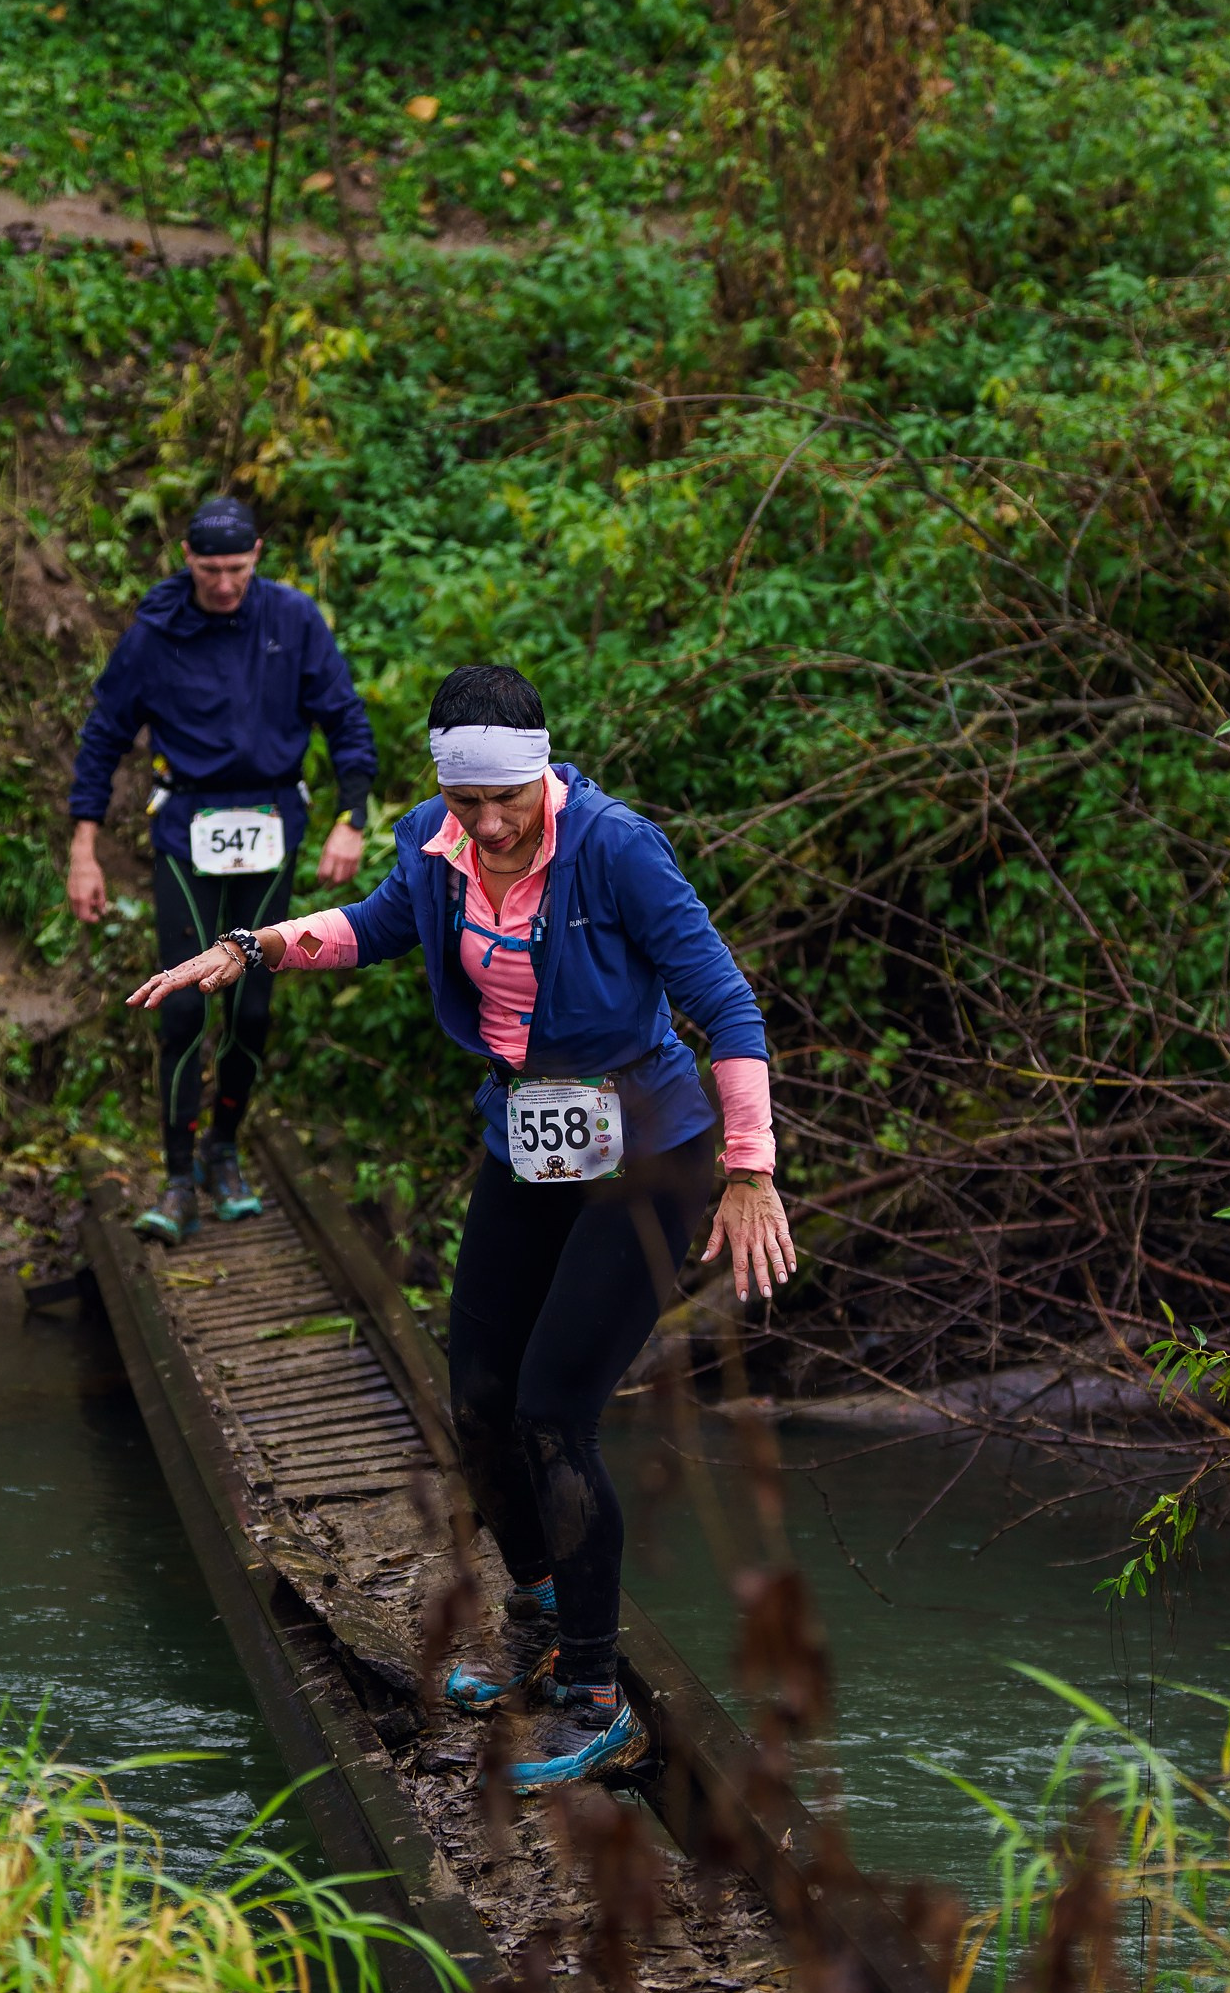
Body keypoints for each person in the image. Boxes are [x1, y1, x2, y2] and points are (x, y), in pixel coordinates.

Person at [127, 662, 796, 1792]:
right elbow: (372, 925)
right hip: (530, 1133)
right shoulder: (431, 844)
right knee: (478, 1396)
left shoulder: (615, 849)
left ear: (543, 775)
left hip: (648, 1149)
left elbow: (724, 1003)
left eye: (507, 802)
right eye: (467, 803)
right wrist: (248, 947)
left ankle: (598, 1698)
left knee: (551, 1412)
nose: (487, 825)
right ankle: (541, 1624)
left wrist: (748, 1169)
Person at [67, 495, 377, 1240]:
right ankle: (176, 1180)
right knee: (181, 1003)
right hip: (186, 827)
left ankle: (224, 1152)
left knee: (253, 1008)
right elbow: (105, 733)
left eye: (238, 569)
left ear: (260, 554)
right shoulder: (156, 630)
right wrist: (83, 849)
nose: (225, 584)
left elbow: (344, 717)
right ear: (187, 558)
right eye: (211, 570)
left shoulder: (292, 619)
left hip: (272, 823)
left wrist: (354, 817)